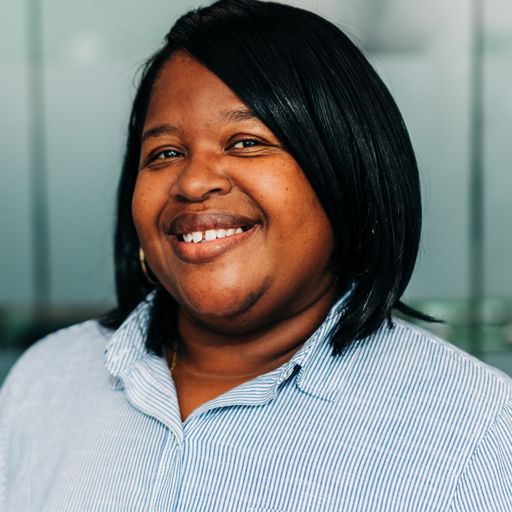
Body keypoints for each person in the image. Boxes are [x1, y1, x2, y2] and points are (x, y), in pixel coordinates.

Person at [1, 0, 511, 510]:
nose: (194, 181)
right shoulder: (47, 380)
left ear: (345, 175)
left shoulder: (475, 431)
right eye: (165, 153)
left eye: (245, 142)